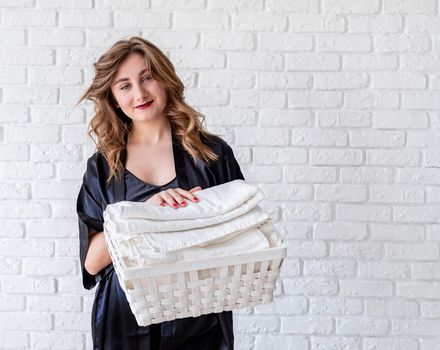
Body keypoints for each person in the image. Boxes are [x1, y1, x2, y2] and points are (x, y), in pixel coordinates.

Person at [75, 36, 245, 349]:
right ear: (113, 98)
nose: (139, 93)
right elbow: (92, 263)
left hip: (200, 319)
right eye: (124, 85)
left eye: (147, 78)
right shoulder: (102, 167)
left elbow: (242, 239)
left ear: (164, 80)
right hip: (124, 322)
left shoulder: (211, 155)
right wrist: (143, 215)